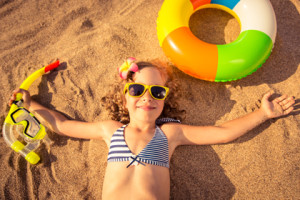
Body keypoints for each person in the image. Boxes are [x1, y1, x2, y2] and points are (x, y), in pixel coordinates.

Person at [9, 58, 295, 200]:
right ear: (125, 97)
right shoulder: (111, 131)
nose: (147, 97)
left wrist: (262, 114)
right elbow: (65, 125)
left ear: (164, 99)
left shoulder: (169, 134)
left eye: (156, 92)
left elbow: (221, 132)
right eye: (137, 89)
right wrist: (32, 104)